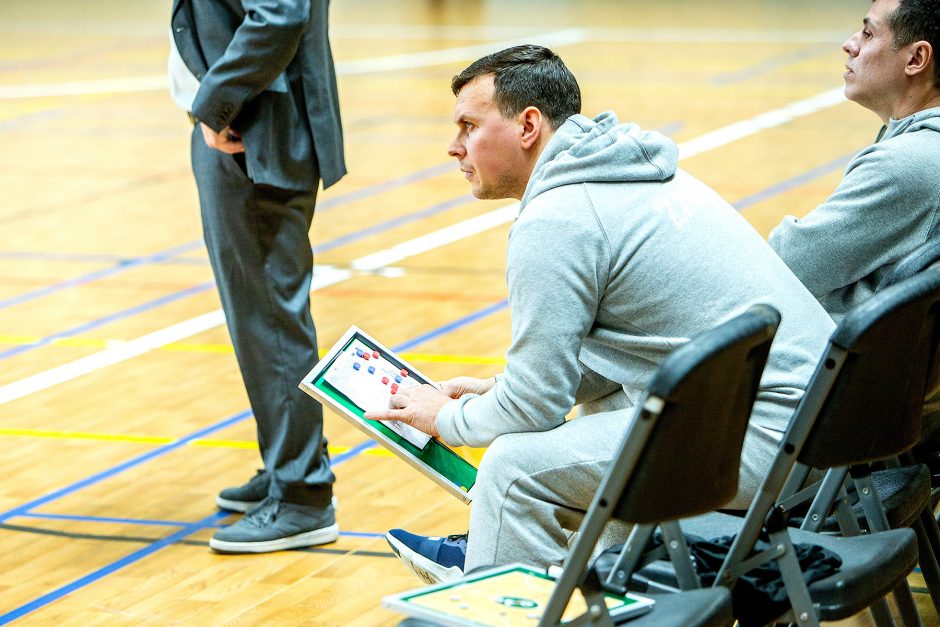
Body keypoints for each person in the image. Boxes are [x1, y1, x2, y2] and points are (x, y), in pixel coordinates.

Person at [364, 45, 835, 584]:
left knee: (511, 470)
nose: (454, 147)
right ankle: (597, 583)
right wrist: (495, 388)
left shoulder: (556, 221)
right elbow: (619, 357)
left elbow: (534, 406)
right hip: (822, 417)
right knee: (608, 398)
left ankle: (508, 594)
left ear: (528, 126)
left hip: (775, 442)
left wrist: (444, 419)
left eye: (469, 126)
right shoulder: (628, 166)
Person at [169, 0, 345, 553]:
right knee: (260, 316)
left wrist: (216, 105)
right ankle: (289, 466)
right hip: (252, 129)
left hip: (255, 136)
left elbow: (279, 14)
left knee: (269, 318)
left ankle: (301, 496)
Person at [768, 0, 939, 436]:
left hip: (839, 402)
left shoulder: (909, 164)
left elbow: (784, 266)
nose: (850, 45)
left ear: (917, 59)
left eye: (867, 34)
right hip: (904, 396)